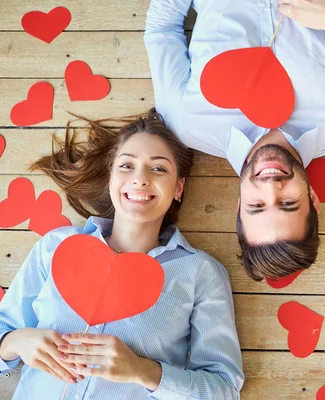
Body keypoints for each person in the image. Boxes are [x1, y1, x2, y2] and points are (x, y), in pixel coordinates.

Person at [144, 0, 325, 281]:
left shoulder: (185, 123)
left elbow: (162, 29)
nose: (271, 186)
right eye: (288, 203)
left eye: (257, 206)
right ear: (313, 199)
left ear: (239, 205)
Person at [0, 109, 244, 399]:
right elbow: (6, 331)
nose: (140, 179)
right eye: (127, 166)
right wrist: (14, 342)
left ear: (178, 187)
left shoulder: (201, 273)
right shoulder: (54, 247)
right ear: (110, 177)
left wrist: (143, 370)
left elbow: (224, 389)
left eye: (159, 169)